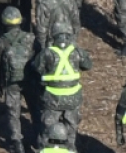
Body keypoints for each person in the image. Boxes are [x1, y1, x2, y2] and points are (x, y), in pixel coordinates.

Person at [32, 22, 92, 151]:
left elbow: (36, 68)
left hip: (52, 98)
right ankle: (70, 149)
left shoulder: (47, 53)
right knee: (71, 129)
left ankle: (45, 149)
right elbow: (87, 65)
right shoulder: (77, 52)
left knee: (48, 128)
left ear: (53, 35)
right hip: (73, 98)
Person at [0, 6, 38, 153]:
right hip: (29, 80)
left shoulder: (1, 41)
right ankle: (39, 136)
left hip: (11, 82)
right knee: (35, 108)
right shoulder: (30, 38)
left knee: (13, 111)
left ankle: (17, 142)